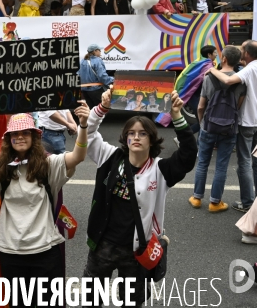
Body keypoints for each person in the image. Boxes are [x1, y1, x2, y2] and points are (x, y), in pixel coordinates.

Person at [0, 103, 89, 307]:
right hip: (11, 252)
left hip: (45, 250)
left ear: (34, 137)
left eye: (25, 133)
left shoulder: (50, 165)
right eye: (15, 134)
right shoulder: (0, 168)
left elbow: (78, 156)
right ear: (8, 139)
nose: (20, 137)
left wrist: (83, 126)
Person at [82, 89, 197, 307]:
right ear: (125, 137)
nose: (136, 137)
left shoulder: (160, 169)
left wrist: (177, 115)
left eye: (143, 133)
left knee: (131, 302)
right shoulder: (110, 156)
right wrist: (102, 108)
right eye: (131, 133)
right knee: (91, 300)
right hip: (102, 244)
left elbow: (188, 156)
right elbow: (87, 135)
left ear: (152, 139)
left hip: (137, 251)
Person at [190, 46, 246, 212]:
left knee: (202, 163)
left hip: (208, 126)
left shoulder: (209, 78)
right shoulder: (241, 81)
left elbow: (201, 107)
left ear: (224, 59)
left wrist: (202, 124)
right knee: (221, 166)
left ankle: (197, 198)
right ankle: (215, 203)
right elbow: (238, 107)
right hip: (229, 129)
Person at [207, 40, 257, 213]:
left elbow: (228, 81)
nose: (240, 50)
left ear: (248, 54)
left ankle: (248, 202)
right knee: (254, 162)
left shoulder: (250, 68)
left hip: (247, 121)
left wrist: (212, 69)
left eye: (242, 48)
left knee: (244, 161)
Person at [78, 44, 113, 109]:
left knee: (91, 111)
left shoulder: (82, 61)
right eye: (99, 50)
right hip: (96, 90)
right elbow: (102, 76)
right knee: (102, 110)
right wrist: (112, 80)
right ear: (95, 51)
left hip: (84, 90)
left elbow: (78, 74)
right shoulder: (97, 60)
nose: (100, 52)